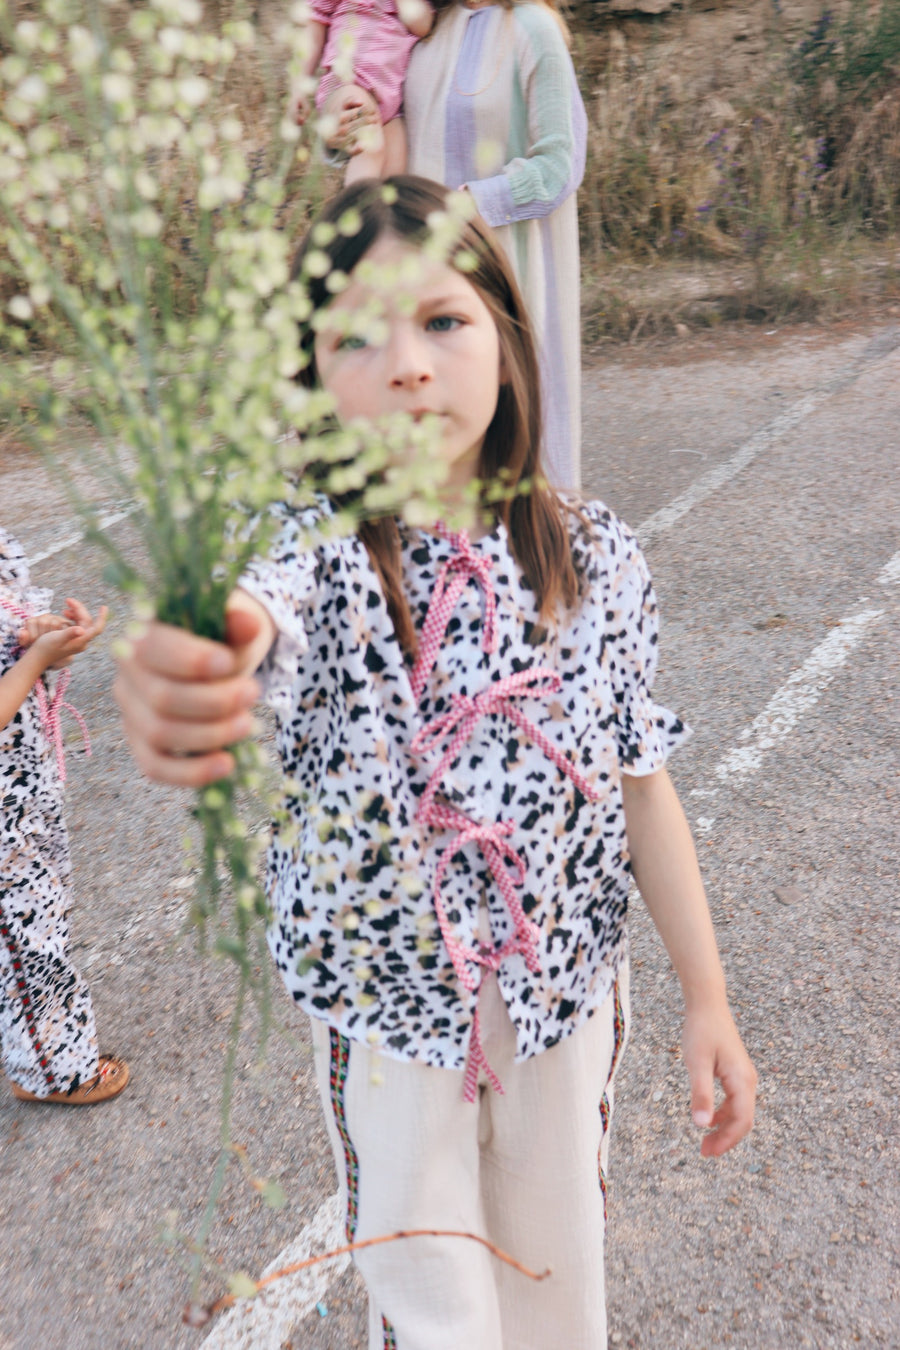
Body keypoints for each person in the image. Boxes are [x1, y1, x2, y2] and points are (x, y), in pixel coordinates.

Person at [115, 177, 756, 1349]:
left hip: (565, 994)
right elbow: (251, 619)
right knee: (434, 1311)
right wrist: (195, 655)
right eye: (354, 338)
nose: (406, 364)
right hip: (386, 1015)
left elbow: (642, 786)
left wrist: (708, 1000)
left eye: (442, 321)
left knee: (559, 1279)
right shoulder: (318, 552)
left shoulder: (594, 555)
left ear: (507, 340)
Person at [404, 0, 587, 491]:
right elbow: (382, 115)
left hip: (507, 267)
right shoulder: (424, 25)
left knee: (511, 432)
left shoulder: (533, 28)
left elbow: (559, 164)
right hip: (422, 269)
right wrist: (340, 131)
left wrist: (470, 207)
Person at [0, 528, 128, 1105]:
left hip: (24, 781)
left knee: (40, 912)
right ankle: (55, 1070)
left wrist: (35, 633)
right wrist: (40, 659)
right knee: (27, 932)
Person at [289, 0, 434, 183]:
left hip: (390, 99)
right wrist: (298, 88)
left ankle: (372, 209)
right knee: (368, 144)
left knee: (394, 176)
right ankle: (354, 206)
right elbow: (313, 29)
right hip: (347, 80)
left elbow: (422, 26)